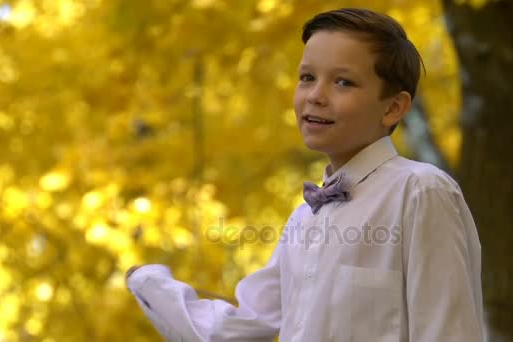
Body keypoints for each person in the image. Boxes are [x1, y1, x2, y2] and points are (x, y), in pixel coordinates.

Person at [126, 7, 485, 341]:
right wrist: (148, 282)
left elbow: (448, 331)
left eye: (343, 82)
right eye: (307, 77)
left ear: (393, 108)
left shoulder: (420, 191)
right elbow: (237, 328)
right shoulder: (304, 219)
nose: (316, 95)